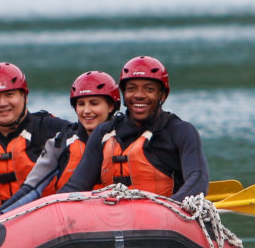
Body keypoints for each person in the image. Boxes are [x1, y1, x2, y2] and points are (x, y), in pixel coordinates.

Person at [59, 55, 209, 200]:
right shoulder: (104, 133)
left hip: (165, 219)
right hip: (112, 220)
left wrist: (168, 210)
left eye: (149, 89)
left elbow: (198, 181)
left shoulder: (181, 132)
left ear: (162, 96)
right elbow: (76, 186)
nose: (139, 95)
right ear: (124, 94)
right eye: (131, 89)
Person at [0, 70, 120, 213]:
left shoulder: (124, 138)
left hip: (119, 219)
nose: (86, 111)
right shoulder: (60, 143)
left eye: (94, 103)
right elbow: (31, 188)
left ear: (111, 106)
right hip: (74, 222)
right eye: (81, 104)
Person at [0, 62, 70, 215]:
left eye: (10, 95)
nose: (2, 103)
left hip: (47, 225)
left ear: (25, 96)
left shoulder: (53, 129)